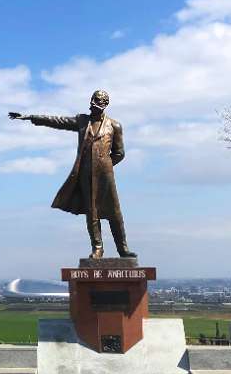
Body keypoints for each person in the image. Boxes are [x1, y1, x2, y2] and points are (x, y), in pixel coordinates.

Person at [8, 90, 136, 259]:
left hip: (105, 175)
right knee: (92, 212)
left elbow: (119, 153)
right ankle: (98, 248)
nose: (92, 103)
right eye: (92, 99)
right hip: (85, 174)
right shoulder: (82, 121)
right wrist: (30, 117)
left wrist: (104, 164)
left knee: (114, 212)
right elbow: (57, 121)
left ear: (105, 104)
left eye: (97, 100)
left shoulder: (114, 126)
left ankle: (123, 249)